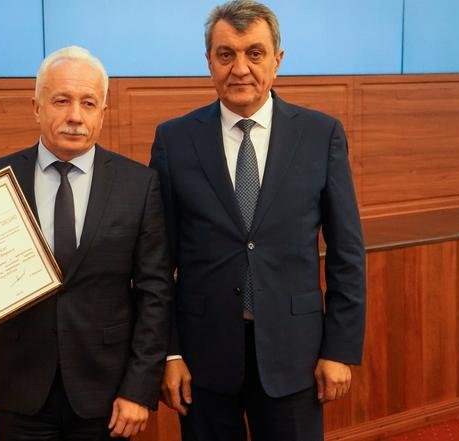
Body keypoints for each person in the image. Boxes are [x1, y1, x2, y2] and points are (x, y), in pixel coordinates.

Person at [149, 1, 366, 440]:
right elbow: (156, 262)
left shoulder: (321, 134)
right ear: (209, 61)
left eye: (255, 53)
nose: (240, 68)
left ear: (277, 60)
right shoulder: (174, 139)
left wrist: (339, 349)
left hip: (296, 355)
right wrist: (169, 353)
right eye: (226, 54)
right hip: (203, 358)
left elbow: (347, 252)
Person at [0, 46, 171, 441]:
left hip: (107, 393)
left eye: (88, 103)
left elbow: (155, 294)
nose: (75, 116)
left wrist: (138, 389)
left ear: (102, 112)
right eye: (61, 100)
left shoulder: (138, 184)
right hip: (22, 390)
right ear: (36, 107)